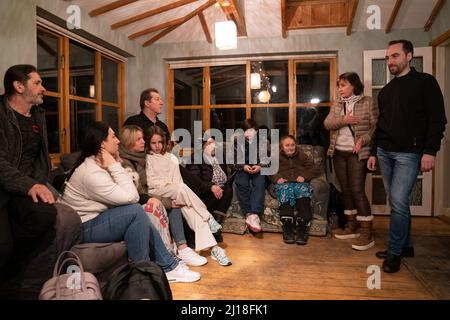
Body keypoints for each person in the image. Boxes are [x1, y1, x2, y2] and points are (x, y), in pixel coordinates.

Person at [58, 122, 200, 283]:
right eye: (113, 137)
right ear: (102, 144)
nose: (118, 141)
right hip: (83, 227)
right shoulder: (91, 172)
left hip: (95, 219)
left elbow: (128, 194)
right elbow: (132, 196)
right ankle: (146, 272)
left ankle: (166, 266)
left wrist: (114, 163)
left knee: (137, 212)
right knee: (135, 211)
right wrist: (114, 164)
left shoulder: (98, 163)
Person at [367, 40, 447, 273]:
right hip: (384, 152)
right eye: (388, 57)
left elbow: (437, 120)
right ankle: (406, 245)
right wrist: (373, 152)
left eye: (395, 56)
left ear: (409, 56)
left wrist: (430, 151)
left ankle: (394, 252)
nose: (390, 61)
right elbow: (380, 127)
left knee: (399, 201)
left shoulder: (425, 83)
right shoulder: (386, 91)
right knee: (398, 202)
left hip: (409, 154)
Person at [0, 65, 59, 285]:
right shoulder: (1, 113)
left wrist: (40, 181)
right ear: (18, 86)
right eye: (37, 83)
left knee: (46, 214)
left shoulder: (38, 114)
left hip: (26, 185)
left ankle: (16, 280)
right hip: (5, 186)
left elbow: (36, 154)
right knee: (3, 248)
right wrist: (30, 186)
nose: (43, 88)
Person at [119, 125, 207, 267]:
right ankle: (179, 248)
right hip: (136, 202)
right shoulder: (127, 162)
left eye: (143, 138)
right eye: (139, 139)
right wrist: (163, 200)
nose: (143, 141)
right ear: (129, 142)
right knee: (173, 200)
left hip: (149, 195)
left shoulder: (140, 157)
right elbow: (137, 194)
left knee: (177, 197)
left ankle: (181, 248)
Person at [145, 126, 232, 266]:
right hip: (159, 191)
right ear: (148, 143)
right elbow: (152, 183)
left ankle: (214, 248)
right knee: (181, 188)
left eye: (159, 142)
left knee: (191, 211)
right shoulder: (148, 158)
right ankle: (208, 217)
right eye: (153, 143)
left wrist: (175, 190)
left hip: (177, 192)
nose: (157, 146)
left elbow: (178, 180)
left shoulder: (171, 158)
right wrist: (170, 186)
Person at [324, 72, 379, 251]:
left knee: (357, 190)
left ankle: (366, 233)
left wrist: (363, 140)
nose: (340, 89)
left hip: (357, 153)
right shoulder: (338, 104)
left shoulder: (368, 102)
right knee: (346, 190)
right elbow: (327, 124)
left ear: (353, 85)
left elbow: (375, 127)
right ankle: (352, 226)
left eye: (343, 85)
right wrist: (343, 120)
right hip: (339, 152)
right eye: (339, 85)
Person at [271, 135, 321, 245]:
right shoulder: (276, 157)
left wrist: (304, 176)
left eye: (292, 145)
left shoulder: (302, 156)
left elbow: (315, 169)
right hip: (284, 184)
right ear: (282, 147)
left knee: (302, 190)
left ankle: (302, 227)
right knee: (285, 189)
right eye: (287, 145)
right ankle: (287, 225)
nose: (290, 147)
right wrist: (277, 178)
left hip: (299, 183)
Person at [186, 137, 235, 241]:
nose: (213, 145)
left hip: (220, 190)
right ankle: (211, 228)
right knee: (224, 191)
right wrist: (211, 187)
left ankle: (215, 227)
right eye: (209, 143)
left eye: (214, 142)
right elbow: (195, 182)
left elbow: (225, 176)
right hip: (203, 194)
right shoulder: (195, 158)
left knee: (228, 190)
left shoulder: (220, 157)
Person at [233, 119, 270, 233]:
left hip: (257, 169)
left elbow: (268, 160)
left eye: (250, 130)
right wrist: (243, 166)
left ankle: (255, 214)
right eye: (245, 131)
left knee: (260, 182)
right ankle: (248, 214)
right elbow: (232, 162)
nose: (248, 133)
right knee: (241, 181)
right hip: (242, 168)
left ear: (256, 130)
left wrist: (260, 166)